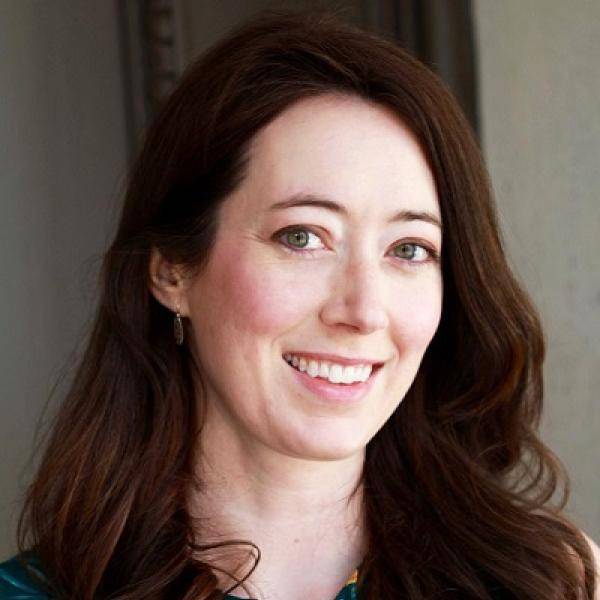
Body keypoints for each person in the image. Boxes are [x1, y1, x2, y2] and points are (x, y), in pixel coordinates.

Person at [0, 8, 598, 600]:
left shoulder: (553, 584)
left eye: (409, 249)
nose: (363, 310)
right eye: (302, 237)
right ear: (172, 269)